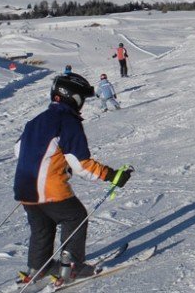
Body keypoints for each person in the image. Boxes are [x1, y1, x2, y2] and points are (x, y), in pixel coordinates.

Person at [13, 73, 132, 285]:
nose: (82, 104)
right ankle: (72, 267)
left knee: (42, 226)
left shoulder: (35, 121)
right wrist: (113, 175)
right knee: (75, 217)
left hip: (25, 188)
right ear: (72, 97)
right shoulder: (67, 121)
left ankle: (39, 267)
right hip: (49, 188)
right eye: (81, 99)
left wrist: (54, 163)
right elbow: (82, 165)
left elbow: (18, 149)